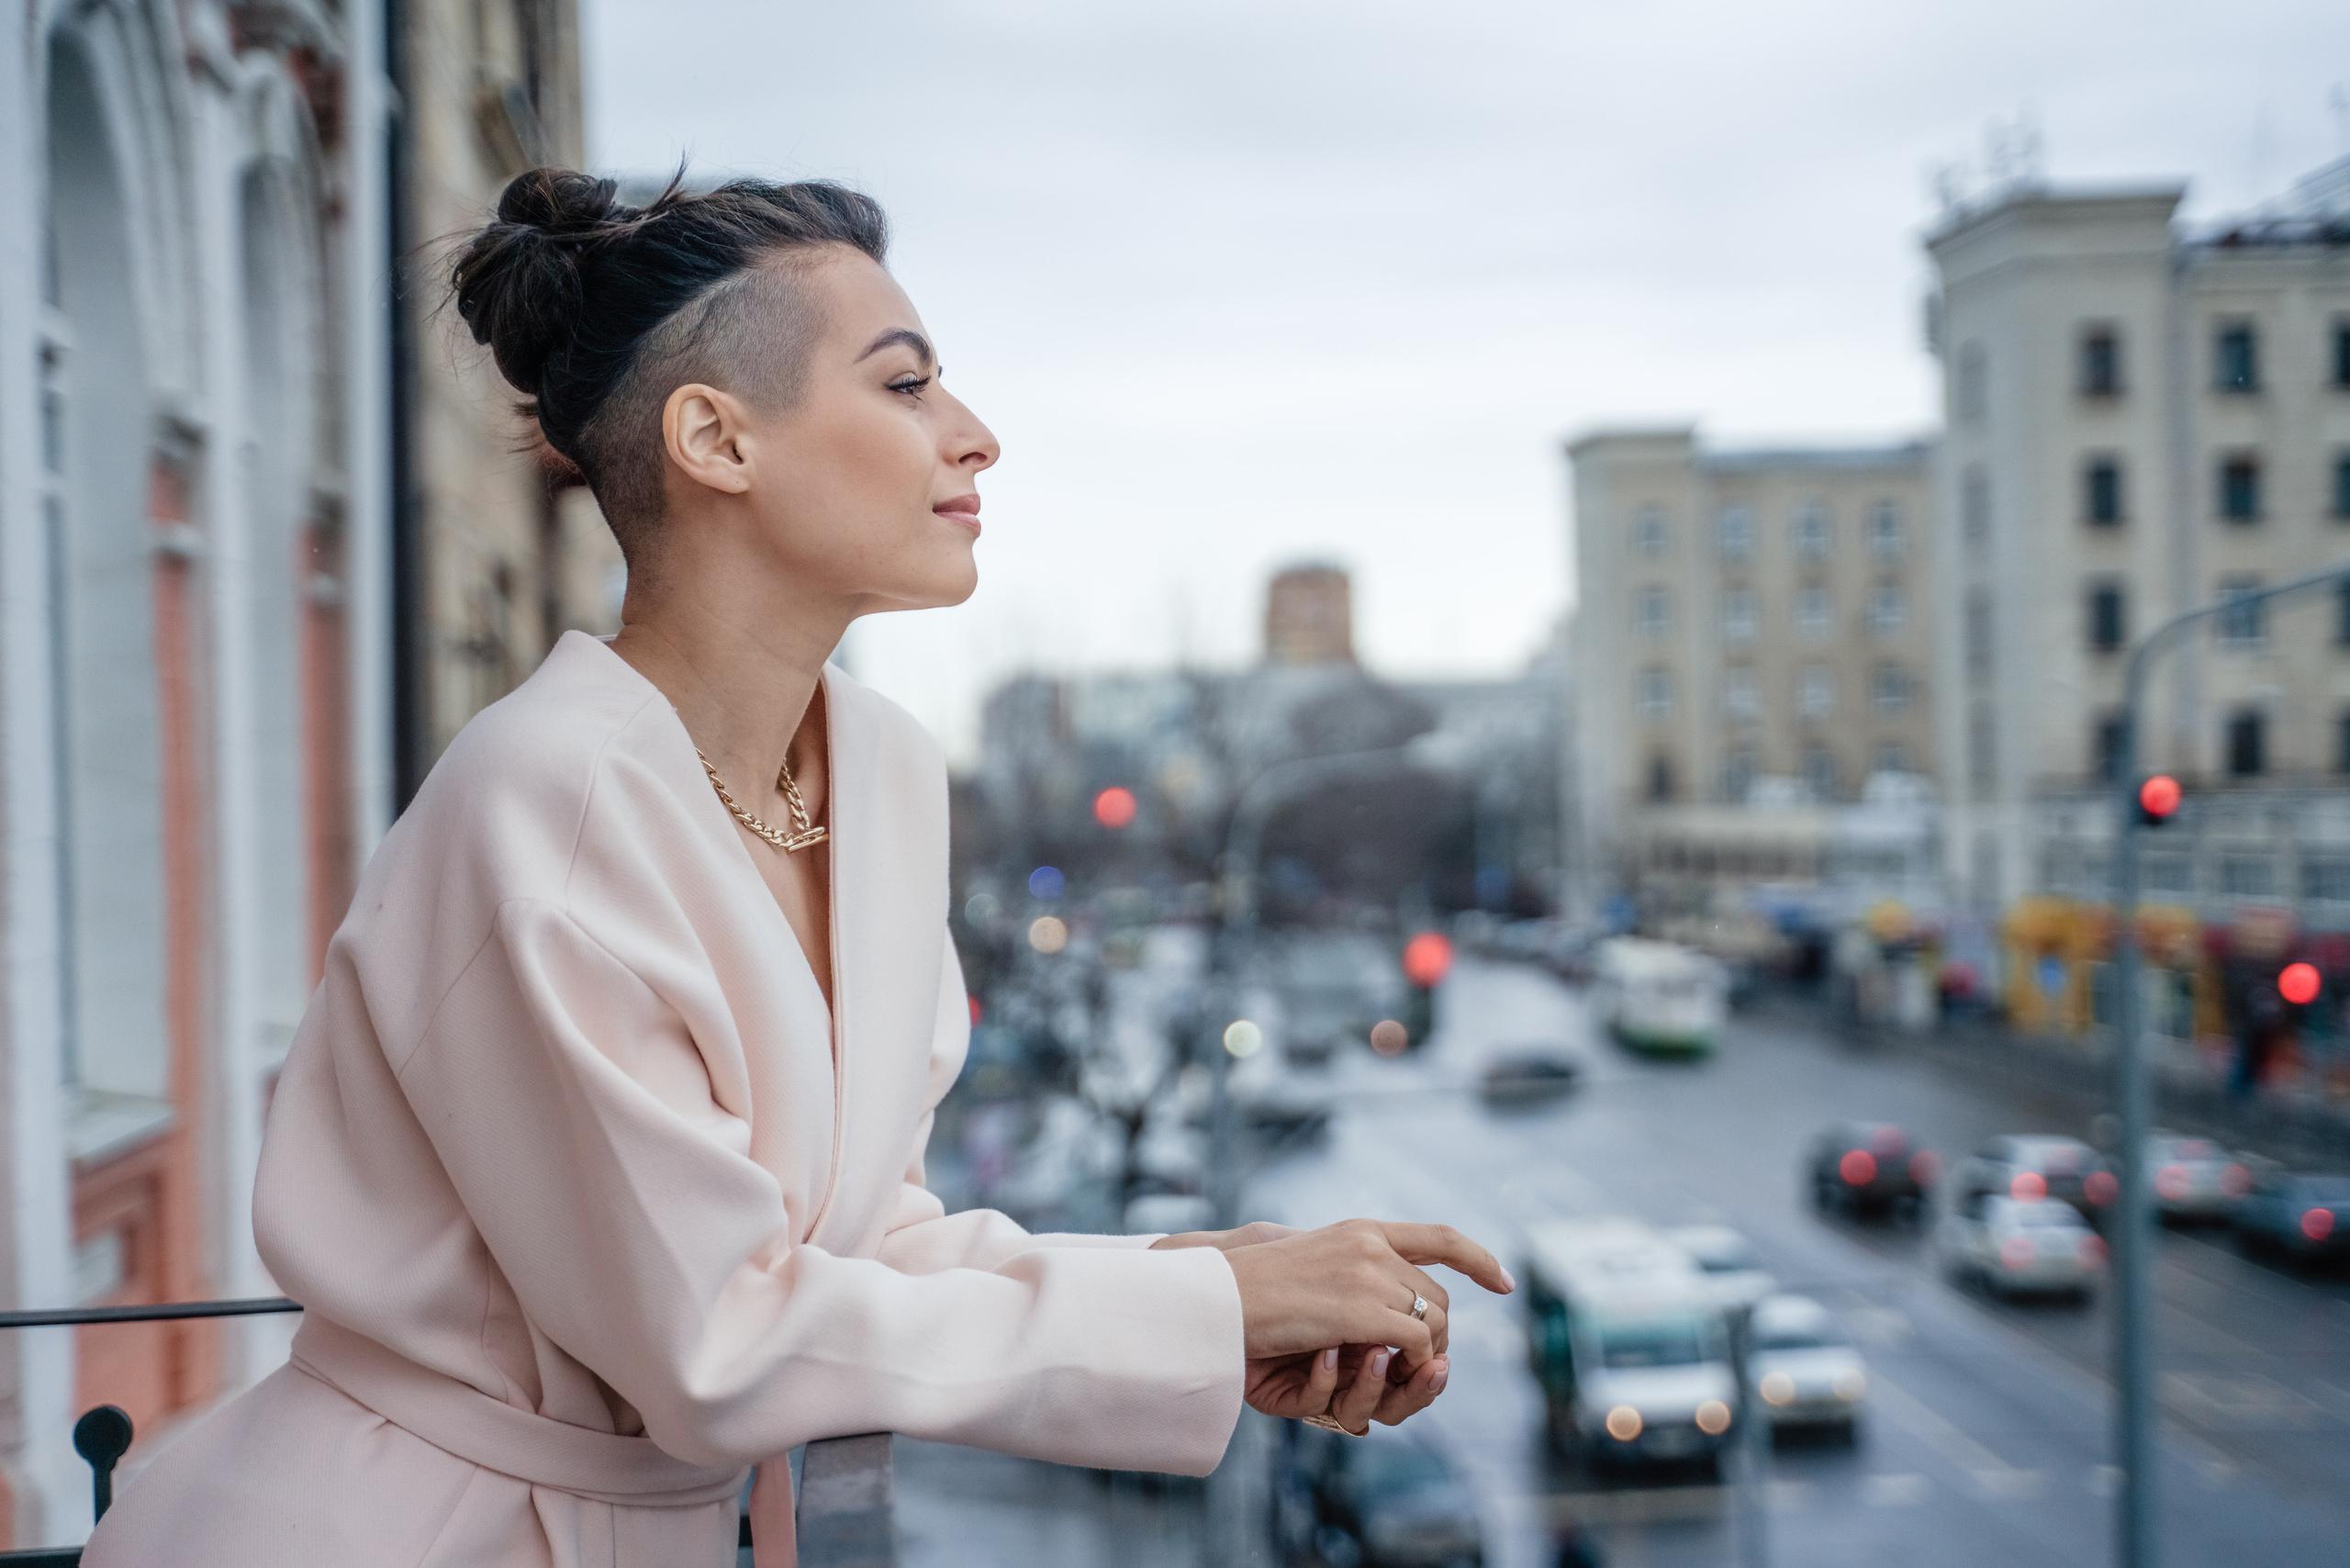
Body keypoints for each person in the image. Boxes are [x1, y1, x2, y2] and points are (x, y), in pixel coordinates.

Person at [85, 169, 1510, 1568]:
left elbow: (859, 1255)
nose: (977, 438)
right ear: (717, 439)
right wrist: (1213, 1308)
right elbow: (718, 1342)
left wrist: (1217, 1289)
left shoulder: (878, 771)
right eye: (904, 385)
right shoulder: (546, 803)